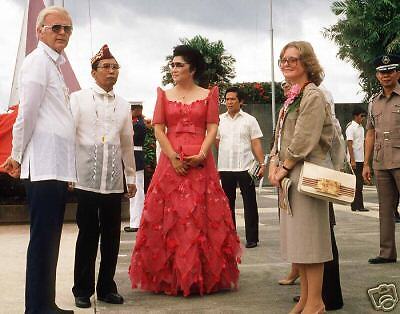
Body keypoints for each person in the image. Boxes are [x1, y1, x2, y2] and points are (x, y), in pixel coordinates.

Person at [129, 45, 241, 296]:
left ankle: (201, 275)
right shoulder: (164, 95)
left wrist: (202, 152)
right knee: (171, 218)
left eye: (179, 64)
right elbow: (158, 129)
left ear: (192, 68)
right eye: (172, 64)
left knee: (201, 217)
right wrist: (172, 157)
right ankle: (170, 277)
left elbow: (212, 126)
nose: (174, 68)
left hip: (201, 161)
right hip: (171, 162)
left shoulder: (208, 94)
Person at [0, 6, 75, 314]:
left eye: (67, 29)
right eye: (56, 27)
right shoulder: (36, 63)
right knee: (43, 239)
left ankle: (46, 303)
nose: (62, 33)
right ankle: (37, 308)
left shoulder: (53, 65)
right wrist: (15, 155)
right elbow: (26, 113)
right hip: (43, 165)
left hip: (56, 164)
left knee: (50, 239)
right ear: (39, 31)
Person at [269, 41, 334, 314]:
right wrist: (274, 162)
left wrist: (283, 167)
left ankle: (316, 302)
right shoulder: (293, 96)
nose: (286, 63)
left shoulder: (313, 95)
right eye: (283, 59)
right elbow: (280, 135)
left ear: (307, 63)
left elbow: (304, 137)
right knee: (299, 242)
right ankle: (306, 298)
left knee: (311, 241)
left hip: (307, 173)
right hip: (291, 173)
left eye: (292, 59)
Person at [70, 44, 136, 308]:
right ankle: (82, 290)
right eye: (106, 67)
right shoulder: (78, 99)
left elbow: (127, 143)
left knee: (112, 235)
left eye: (115, 67)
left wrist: (130, 176)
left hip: (112, 180)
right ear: (94, 72)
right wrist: (68, 172)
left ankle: (107, 286)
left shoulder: (123, 105)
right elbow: (68, 137)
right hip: (85, 177)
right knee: (87, 233)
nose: (111, 71)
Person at [216, 86, 265, 249]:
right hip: (225, 167)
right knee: (226, 204)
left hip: (245, 167)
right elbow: (216, 141)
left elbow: (256, 143)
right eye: (227, 99)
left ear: (241, 101)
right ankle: (230, 237)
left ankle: (252, 238)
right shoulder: (219, 120)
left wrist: (262, 163)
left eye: (232, 99)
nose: (229, 102)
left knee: (250, 202)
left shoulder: (250, 120)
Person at [363, 54, 400, 264]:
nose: (386, 75)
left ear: (398, 73)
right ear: (377, 76)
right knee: (385, 209)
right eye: (382, 72)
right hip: (381, 162)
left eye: (390, 71)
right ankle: (386, 252)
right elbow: (370, 133)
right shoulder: (373, 103)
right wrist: (366, 163)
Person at [125, 104, 146, 233]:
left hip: (135, 156)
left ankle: (137, 222)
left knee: (137, 191)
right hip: (133, 155)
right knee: (134, 190)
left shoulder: (138, 124)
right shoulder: (136, 122)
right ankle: (134, 220)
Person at [346, 106, 368, 212]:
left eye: (364, 116)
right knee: (357, 183)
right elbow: (350, 144)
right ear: (356, 116)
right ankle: (357, 205)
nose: (363, 118)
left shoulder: (361, 128)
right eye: (361, 116)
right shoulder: (351, 128)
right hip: (354, 159)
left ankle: (357, 206)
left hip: (361, 158)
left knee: (359, 183)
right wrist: (352, 160)